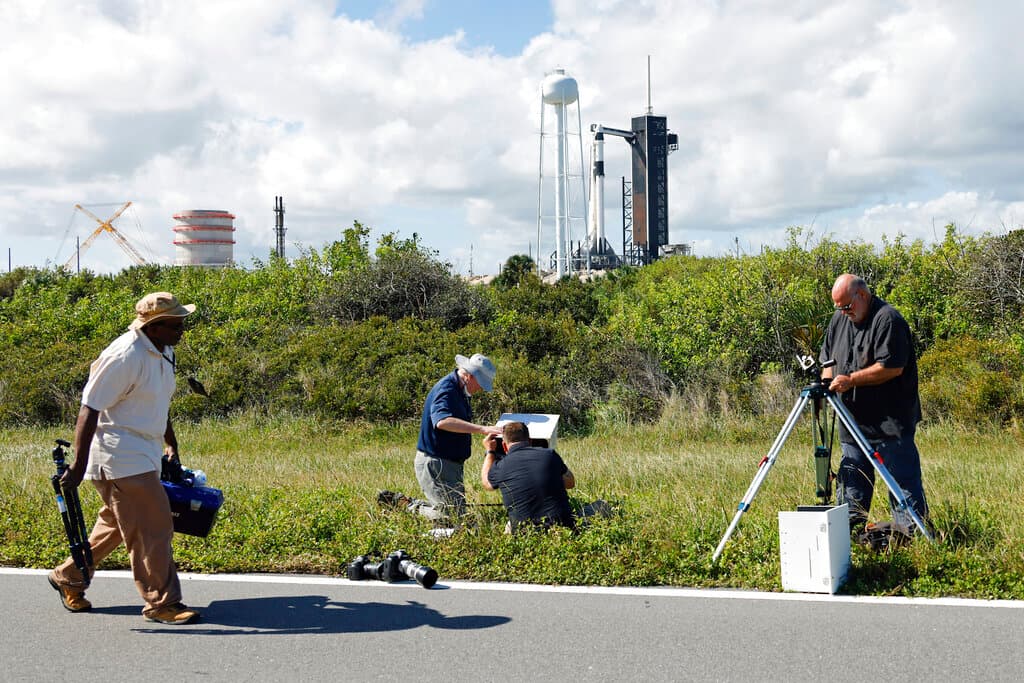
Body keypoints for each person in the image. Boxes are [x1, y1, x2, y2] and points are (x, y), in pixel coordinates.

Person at [48, 292, 201, 625]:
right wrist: (77, 465)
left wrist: (169, 443)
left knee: (118, 525)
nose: (182, 330)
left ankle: (68, 576)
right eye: (176, 324)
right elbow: (90, 409)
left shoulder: (164, 350)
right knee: (153, 527)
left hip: (143, 452)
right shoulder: (124, 355)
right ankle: (161, 602)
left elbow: (158, 400)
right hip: (118, 455)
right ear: (155, 326)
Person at [819, 274, 929, 533]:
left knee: (901, 481)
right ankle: (848, 537)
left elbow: (891, 368)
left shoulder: (888, 319)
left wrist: (850, 380)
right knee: (852, 484)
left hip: (890, 423)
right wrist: (826, 385)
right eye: (839, 308)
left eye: (847, 306)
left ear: (863, 296)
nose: (845, 312)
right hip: (851, 422)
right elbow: (827, 361)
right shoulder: (839, 319)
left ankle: (910, 536)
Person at [386, 353, 501, 521]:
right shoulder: (446, 389)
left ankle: (410, 503)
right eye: (481, 384)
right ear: (469, 376)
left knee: (455, 512)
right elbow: (442, 421)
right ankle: (406, 506)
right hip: (436, 463)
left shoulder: (460, 389)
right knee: (449, 517)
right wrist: (482, 429)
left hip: (449, 463)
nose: (481, 389)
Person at [480, 421, 577, 532]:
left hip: (524, 532)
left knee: (508, 526)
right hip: (562, 529)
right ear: (530, 440)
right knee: (600, 505)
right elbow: (571, 483)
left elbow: (487, 484)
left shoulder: (501, 466)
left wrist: (490, 451)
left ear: (504, 446)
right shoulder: (549, 454)